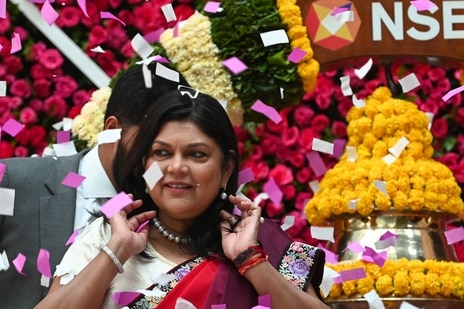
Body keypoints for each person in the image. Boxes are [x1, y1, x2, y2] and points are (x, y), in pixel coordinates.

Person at [35, 87, 327, 309]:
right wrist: (116, 251)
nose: (176, 167)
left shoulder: (261, 242)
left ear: (226, 169)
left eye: (196, 154)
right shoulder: (105, 236)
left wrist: (251, 261)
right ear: (144, 165)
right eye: (162, 153)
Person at [0, 62, 185, 308]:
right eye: (151, 148)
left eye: (168, 151)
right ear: (112, 130)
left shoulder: (176, 210)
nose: (161, 166)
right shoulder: (12, 182)